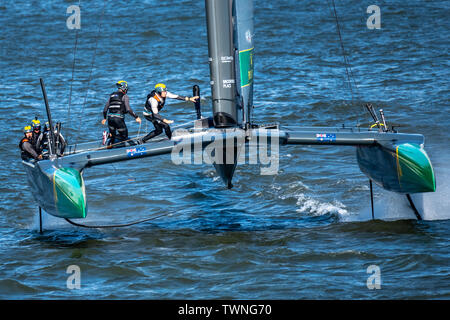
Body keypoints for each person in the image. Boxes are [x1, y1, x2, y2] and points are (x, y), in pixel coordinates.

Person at [102, 80, 141, 147]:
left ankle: (109, 145)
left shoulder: (111, 96)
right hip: (118, 119)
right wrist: (136, 117)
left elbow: (105, 109)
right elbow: (128, 109)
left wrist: (104, 118)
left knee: (113, 138)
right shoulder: (125, 96)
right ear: (124, 88)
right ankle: (108, 135)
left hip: (110, 118)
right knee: (124, 136)